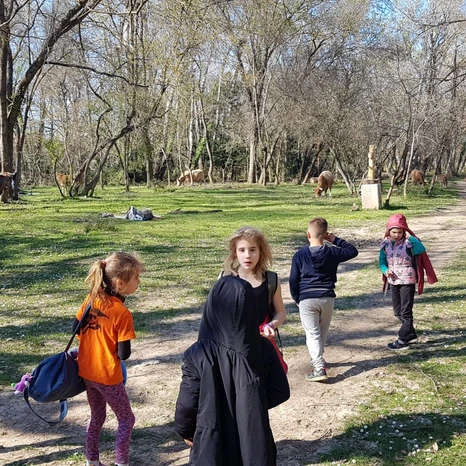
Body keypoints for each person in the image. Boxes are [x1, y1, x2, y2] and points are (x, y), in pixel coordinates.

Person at [174, 275, 290, 466]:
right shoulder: (263, 347)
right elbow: (280, 391)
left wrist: (185, 430)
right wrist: (251, 404)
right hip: (254, 442)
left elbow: (187, 404)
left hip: (211, 441)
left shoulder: (198, 353)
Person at [73, 252, 143, 466]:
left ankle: (91, 460)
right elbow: (124, 354)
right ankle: (121, 462)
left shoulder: (91, 300)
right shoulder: (121, 312)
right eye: (137, 278)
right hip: (108, 377)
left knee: (97, 417)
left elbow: (76, 329)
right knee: (126, 419)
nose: (139, 282)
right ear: (120, 283)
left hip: (87, 372)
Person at [289, 217, 358, 382]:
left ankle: (319, 367)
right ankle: (319, 359)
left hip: (307, 298)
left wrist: (297, 298)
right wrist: (334, 239)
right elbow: (352, 251)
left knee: (312, 333)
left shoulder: (299, 255)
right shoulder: (332, 252)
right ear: (326, 235)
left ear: (308, 234)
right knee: (322, 331)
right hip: (327, 298)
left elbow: (293, 280)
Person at [222, 226, 288, 373]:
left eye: (252, 250)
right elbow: (216, 316)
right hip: (234, 347)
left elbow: (281, 313)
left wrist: (270, 325)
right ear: (235, 252)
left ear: (260, 251)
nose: (247, 255)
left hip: (262, 345)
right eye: (242, 250)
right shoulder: (225, 279)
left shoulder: (271, 280)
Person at [379, 213, 436, 350]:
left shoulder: (409, 243)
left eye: (400, 232)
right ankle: (411, 335)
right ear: (388, 231)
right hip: (393, 281)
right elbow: (382, 262)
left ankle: (403, 339)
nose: (396, 235)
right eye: (393, 232)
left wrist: (411, 235)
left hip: (407, 281)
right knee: (397, 312)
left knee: (406, 312)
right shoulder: (385, 245)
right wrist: (385, 270)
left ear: (404, 231)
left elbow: (422, 249)